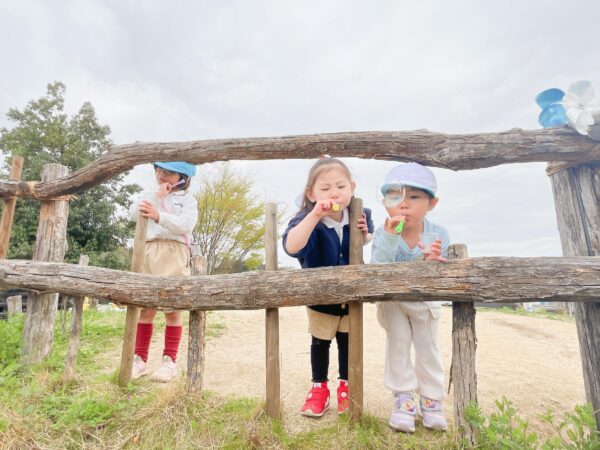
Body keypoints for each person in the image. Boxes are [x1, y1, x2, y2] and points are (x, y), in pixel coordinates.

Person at [282, 157, 374, 417]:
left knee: (347, 343)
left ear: (352, 187)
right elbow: (292, 247)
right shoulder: (306, 219)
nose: (334, 193)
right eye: (325, 188)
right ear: (310, 194)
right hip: (320, 297)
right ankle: (319, 389)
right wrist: (315, 215)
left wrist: (364, 234)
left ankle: (346, 387)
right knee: (320, 343)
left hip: (351, 296)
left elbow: (367, 239)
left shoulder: (360, 213)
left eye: (341, 186)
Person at [371, 162, 449, 432]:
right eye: (395, 197)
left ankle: (432, 399)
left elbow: (442, 275)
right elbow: (378, 268)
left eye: (414, 197)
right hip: (393, 301)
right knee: (398, 346)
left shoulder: (438, 234)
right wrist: (391, 236)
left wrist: (433, 260)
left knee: (428, 349)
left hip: (425, 302)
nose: (404, 204)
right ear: (385, 203)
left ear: (431, 203)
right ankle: (403, 399)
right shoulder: (382, 233)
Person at [129, 161, 198, 382]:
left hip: (174, 251)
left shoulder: (187, 200)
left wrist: (159, 216)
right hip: (148, 249)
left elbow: (186, 224)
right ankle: (139, 359)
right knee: (146, 307)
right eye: (158, 169)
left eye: (168, 171)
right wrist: (156, 196)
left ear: (182, 177)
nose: (161, 174)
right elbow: (133, 213)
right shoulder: (149, 194)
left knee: (172, 308)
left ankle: (169, 361)